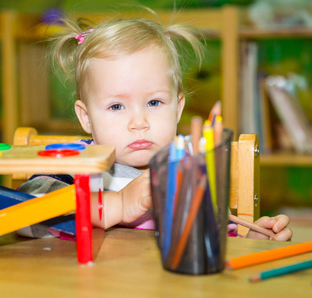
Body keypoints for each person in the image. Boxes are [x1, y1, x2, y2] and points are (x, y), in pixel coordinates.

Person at [17, 14, 292, 241]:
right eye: (116, 106)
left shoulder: (188, 167)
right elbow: (20, 215)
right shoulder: (76, 165)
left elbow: (207, 237)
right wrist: (116, 206)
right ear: (86, 117)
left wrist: (252, 240)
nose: (139, 123)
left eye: (154, 102)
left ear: (178, 108)